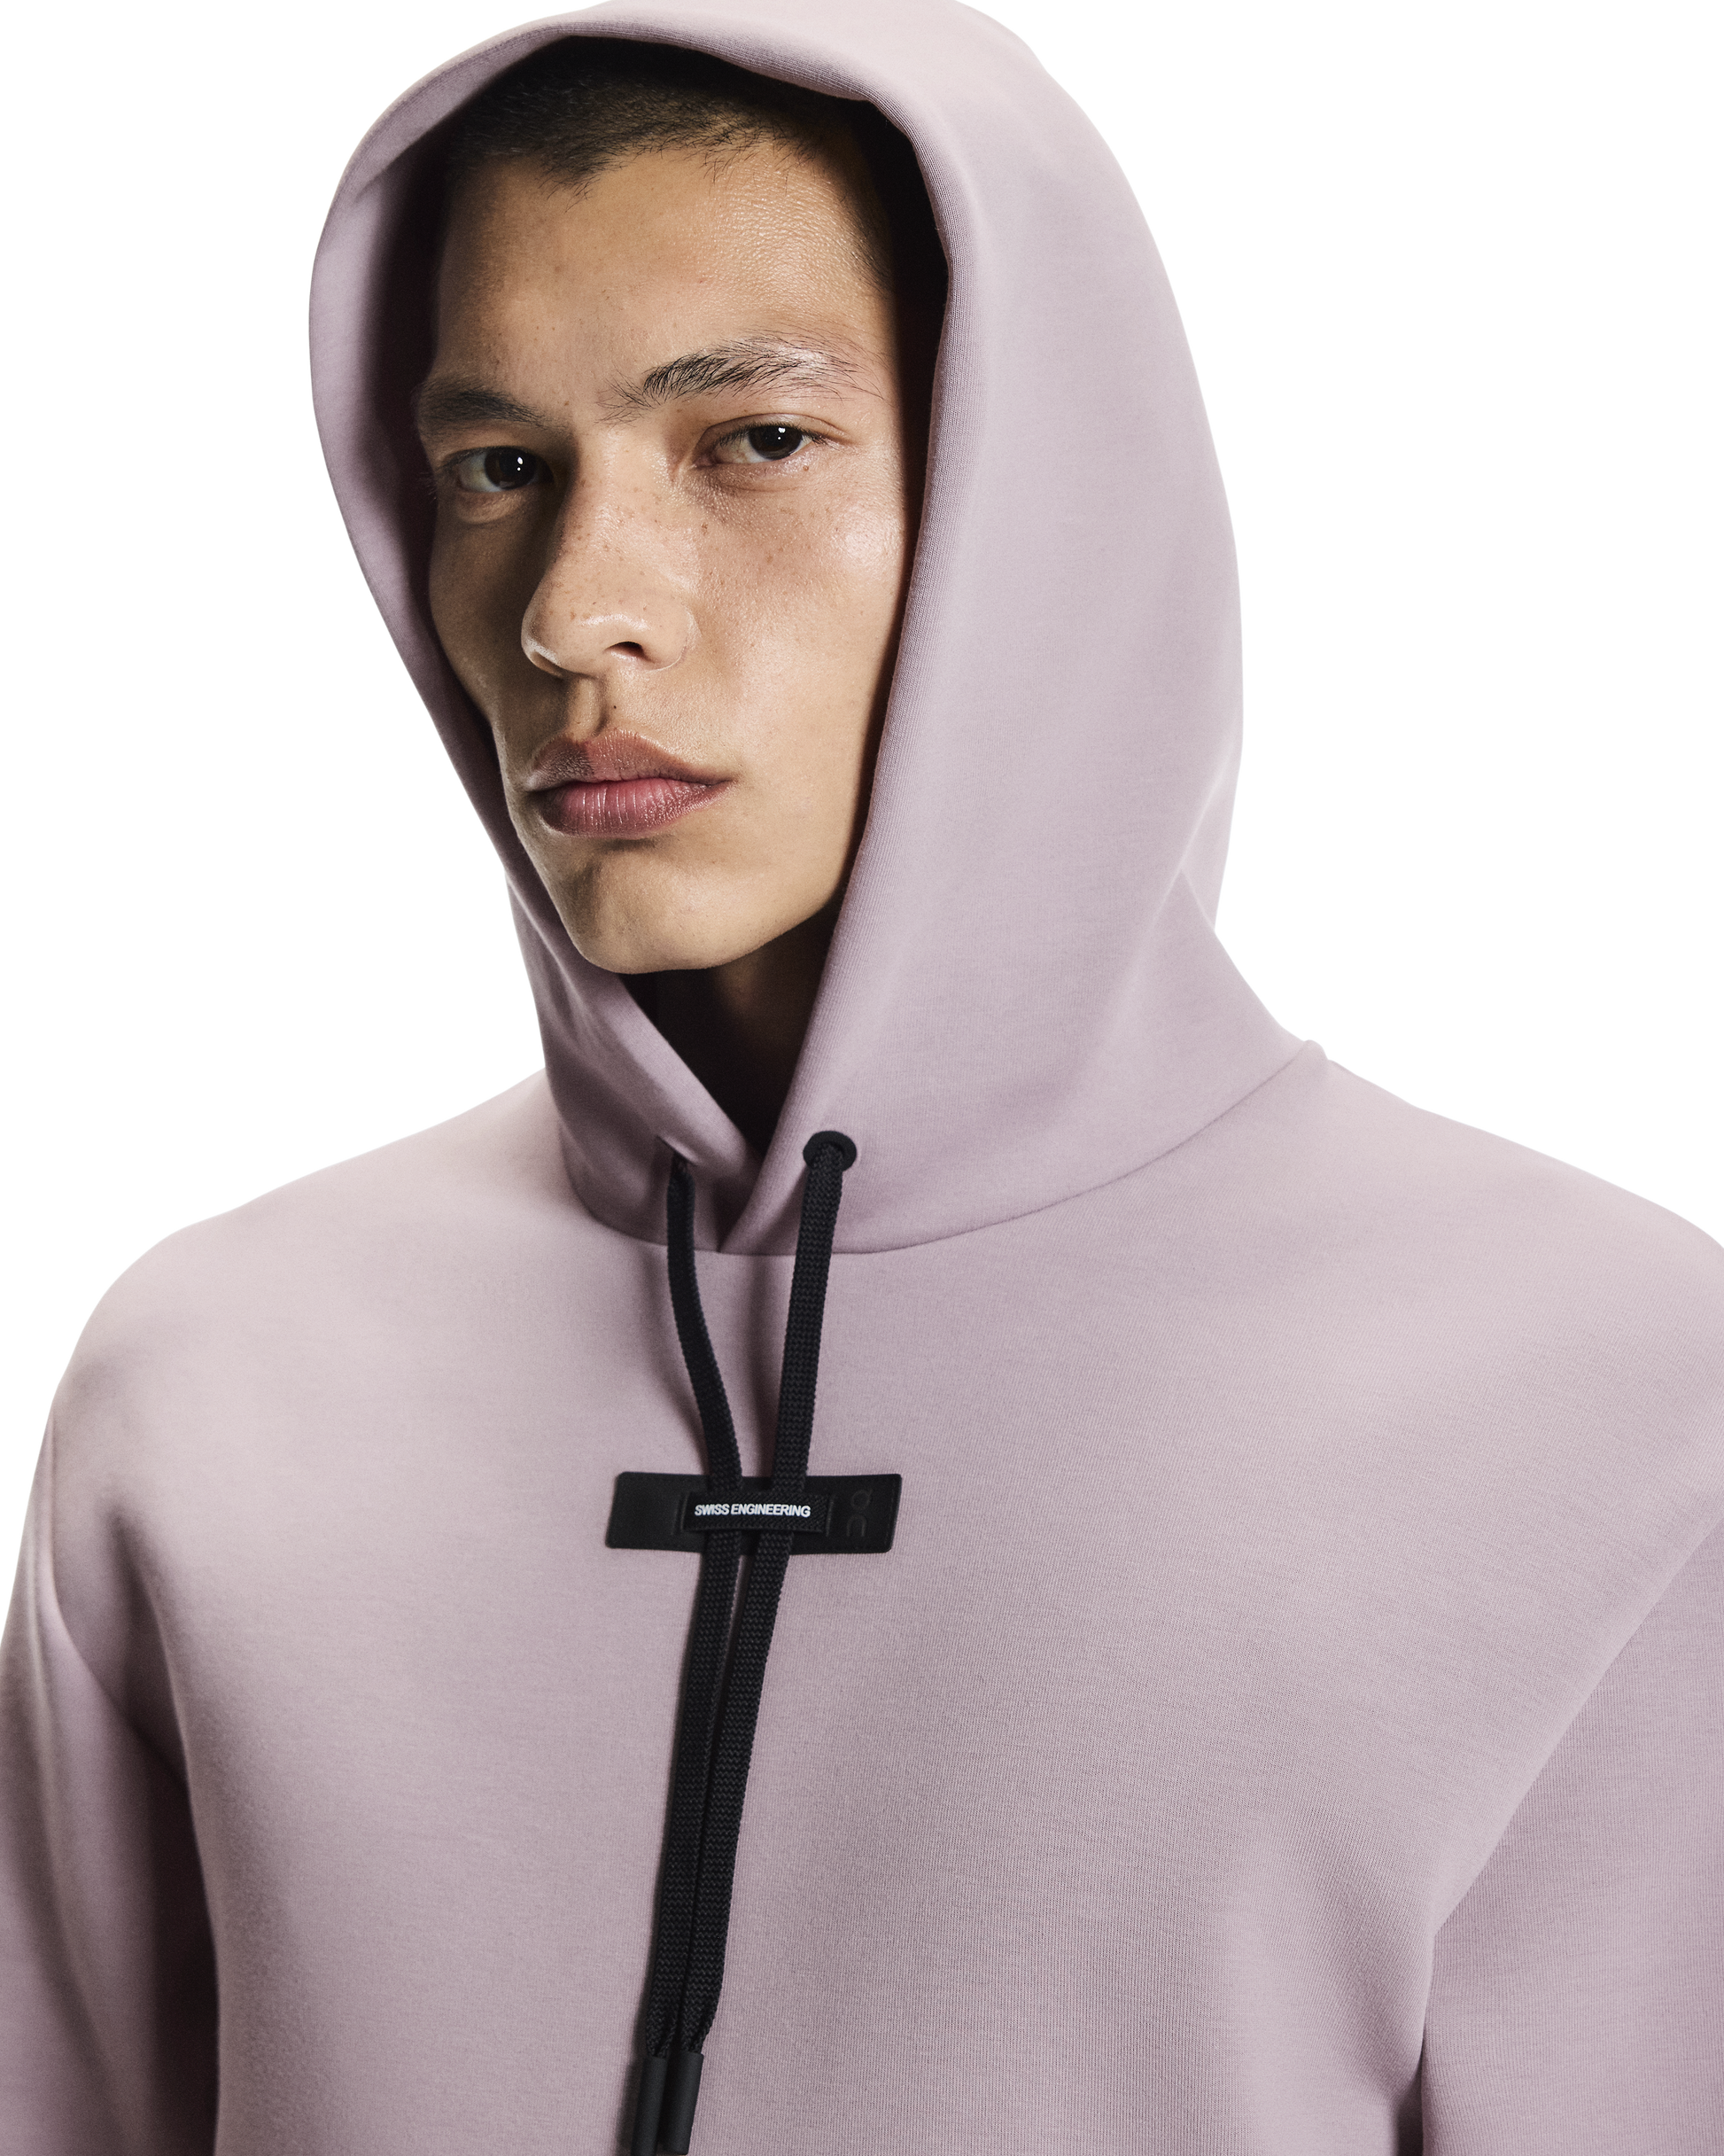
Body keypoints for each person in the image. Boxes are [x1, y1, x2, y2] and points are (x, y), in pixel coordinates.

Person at [4, 4, 1719, 2152]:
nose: (572, 616)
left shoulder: (1620, 1382)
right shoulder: (211, 1372)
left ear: (1048, 501)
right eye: (497, 469)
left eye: (750, 441)